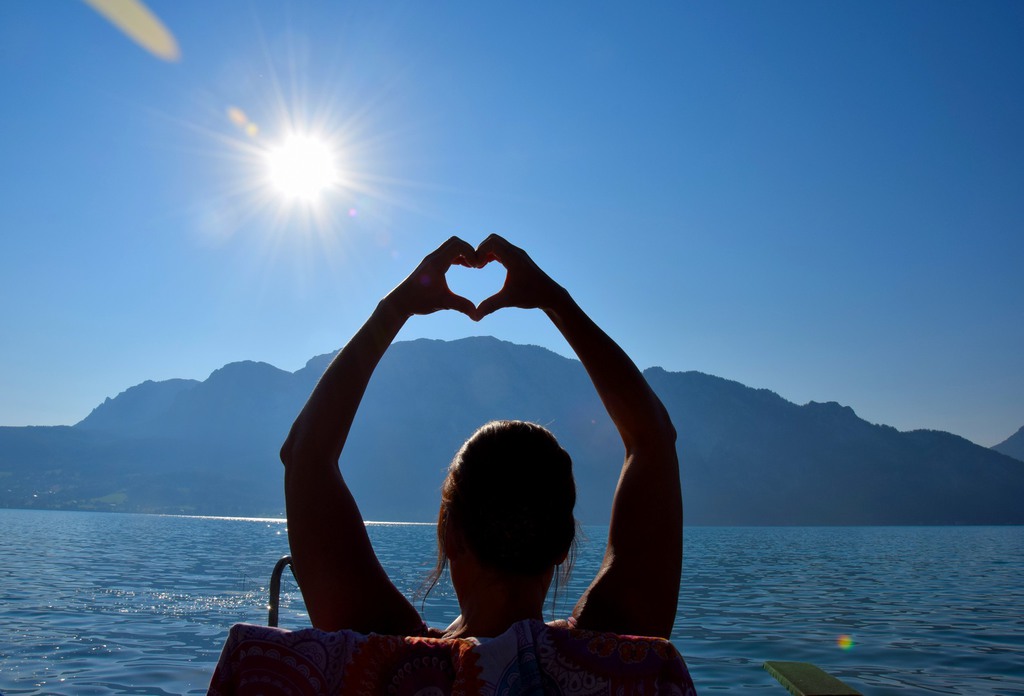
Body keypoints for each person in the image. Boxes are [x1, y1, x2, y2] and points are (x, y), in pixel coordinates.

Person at [280, 234, 682, 641]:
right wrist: (555, 301)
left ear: (451, 535)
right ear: (564, 543)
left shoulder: (387, 661)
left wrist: (396, 307)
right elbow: (654, 438)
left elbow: (305, 454)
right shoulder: (617, 655)